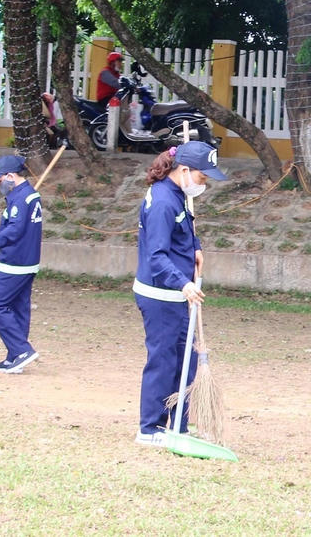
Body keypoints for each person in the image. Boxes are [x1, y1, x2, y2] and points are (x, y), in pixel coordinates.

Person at [132, 140, 227, 446]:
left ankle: (180, 425)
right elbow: (157, 256)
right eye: (203, 177)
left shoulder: (179, 194)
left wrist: (195, 249)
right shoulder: (163, 202)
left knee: (183, 359)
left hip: (176, 295)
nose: (205, 183)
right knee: (163, 361)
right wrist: (182, 282)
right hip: (160, 294)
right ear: (184, 170)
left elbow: (185, 231)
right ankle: (150, 429)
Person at [0, 155, 43, 373]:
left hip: (16, 262)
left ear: (11, 176)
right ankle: (16, 358)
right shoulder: (24, 195)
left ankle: (21, 350)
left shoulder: (22, 199)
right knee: (18, 308)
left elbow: (13, 230)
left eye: (0, 180)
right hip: (28, 261)